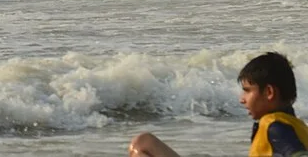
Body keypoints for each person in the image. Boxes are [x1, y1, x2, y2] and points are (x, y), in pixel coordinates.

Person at [129, 52, 307, 157]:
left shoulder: (275, 127)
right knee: (144, 142)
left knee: (142, 144)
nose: (242, 99)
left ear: (269, 92)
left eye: (247, 90)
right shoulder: (296, 126)